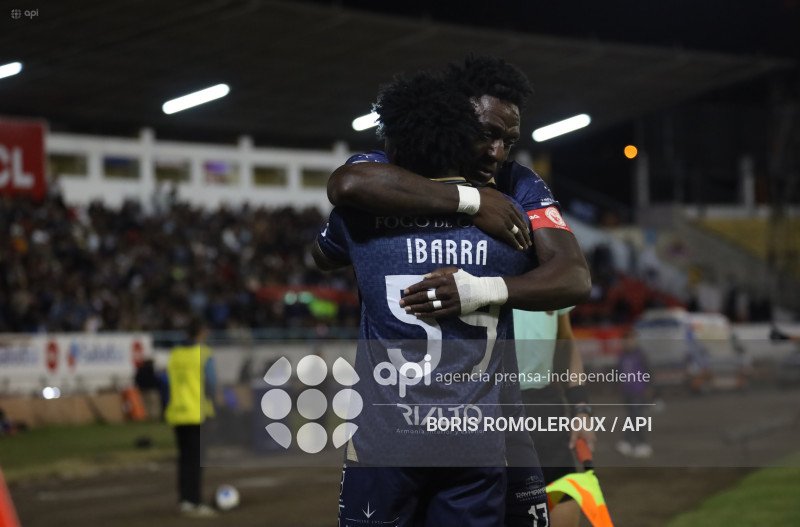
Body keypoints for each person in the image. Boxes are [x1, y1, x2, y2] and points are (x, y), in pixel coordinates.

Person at [313, 69, 548, 527]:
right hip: (475, 442)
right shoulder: (509, 225)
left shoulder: (358, 217)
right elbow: (567, 276)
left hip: (385, 441)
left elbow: (323, 253)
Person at [513, 309, 596, 527]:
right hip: (492, 405)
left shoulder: (554, 277)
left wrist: (581, 409)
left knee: (563, 500)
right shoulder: (482, 276)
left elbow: (566, 339)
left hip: (545, 405)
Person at [164, 317, 218, 517]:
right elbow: (211, 383)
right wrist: (215, 409)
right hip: (197, 413)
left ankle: (185, 500)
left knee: (184, 460)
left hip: (177, 412)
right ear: (202, 332)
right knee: (196, 461)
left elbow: (168, 381)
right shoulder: (204, 354)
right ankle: (196, 502)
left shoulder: (175, 354)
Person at [616, 330, 652, 458]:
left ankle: (637, 442)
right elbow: (618, 372)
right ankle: (634, 443)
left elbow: (648, 371)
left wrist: (648, 388)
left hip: (638, 391)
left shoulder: (640, 355)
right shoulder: (622, 356)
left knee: (635, 417)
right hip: (627, 392)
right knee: (632, 418)